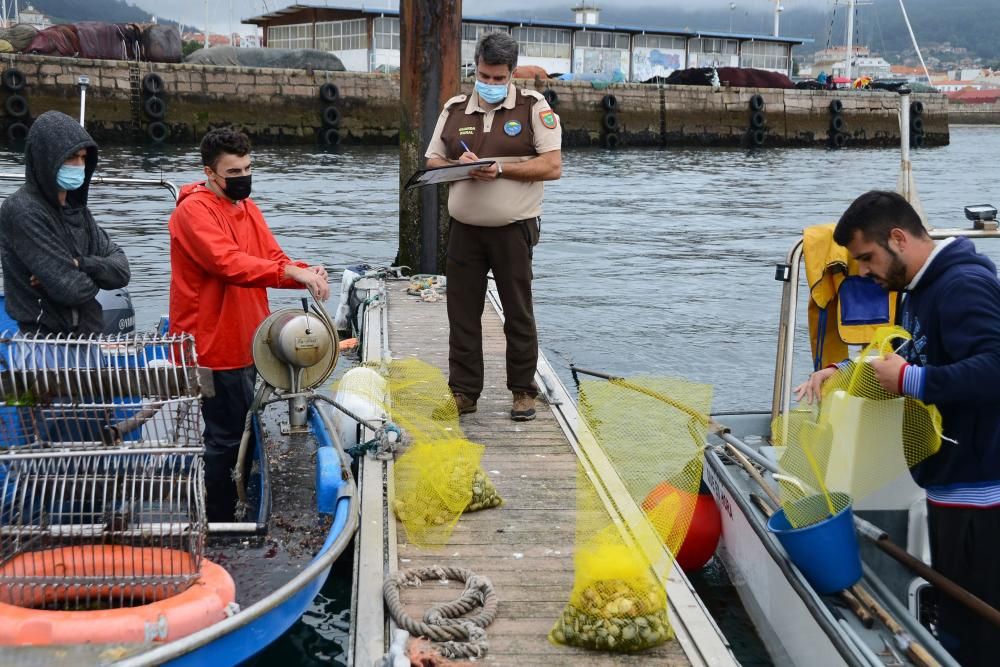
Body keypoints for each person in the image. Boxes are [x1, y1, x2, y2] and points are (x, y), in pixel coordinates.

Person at [795, 190, 1000, 666]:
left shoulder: (962, 286)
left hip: (983, 500)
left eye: (866, 258)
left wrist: (911, 380)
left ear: (898, 237)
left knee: (980, 637)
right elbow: (909, 357)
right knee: (956, 626)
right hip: (950, 487)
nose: (864, 272)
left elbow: (994, 368)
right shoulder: (915, 292)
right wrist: (845, 373)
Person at [169, 127, 330, 521]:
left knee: (245, 425)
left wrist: (307, 272)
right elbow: (228, 263)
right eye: (234, 171)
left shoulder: (247, 208)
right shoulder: (193, 211)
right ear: (209, 172)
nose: (243, 176)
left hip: (248, 339)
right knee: (223, 437)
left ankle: (239, 499)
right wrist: (292, 271)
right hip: (210, 344)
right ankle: (218, 519)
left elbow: (272, 257)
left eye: (248, 167)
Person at [425, 31, 562, 422]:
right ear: (476, 69)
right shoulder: (454, 109)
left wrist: (500, 169)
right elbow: (432, 161)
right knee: (461, 313)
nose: (490, 84)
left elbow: (552, 166)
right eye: (484, 76)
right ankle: (464, 392)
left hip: (512, 229)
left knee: (518, 311)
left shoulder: (535, 108)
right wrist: (461, 168)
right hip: (464, 229)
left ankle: (522, 391)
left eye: (499, 79)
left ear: (512, 74)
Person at [0, 110, 130, 334]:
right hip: (44, 342)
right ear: (46, 159)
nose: (78, 165)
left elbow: (122, 271)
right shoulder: (22, 211)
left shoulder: (79, 212)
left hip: (87, 338)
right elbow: (72, 289)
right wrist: (92, 275)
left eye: (82, 158)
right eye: (70, 157)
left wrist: (81, 264)